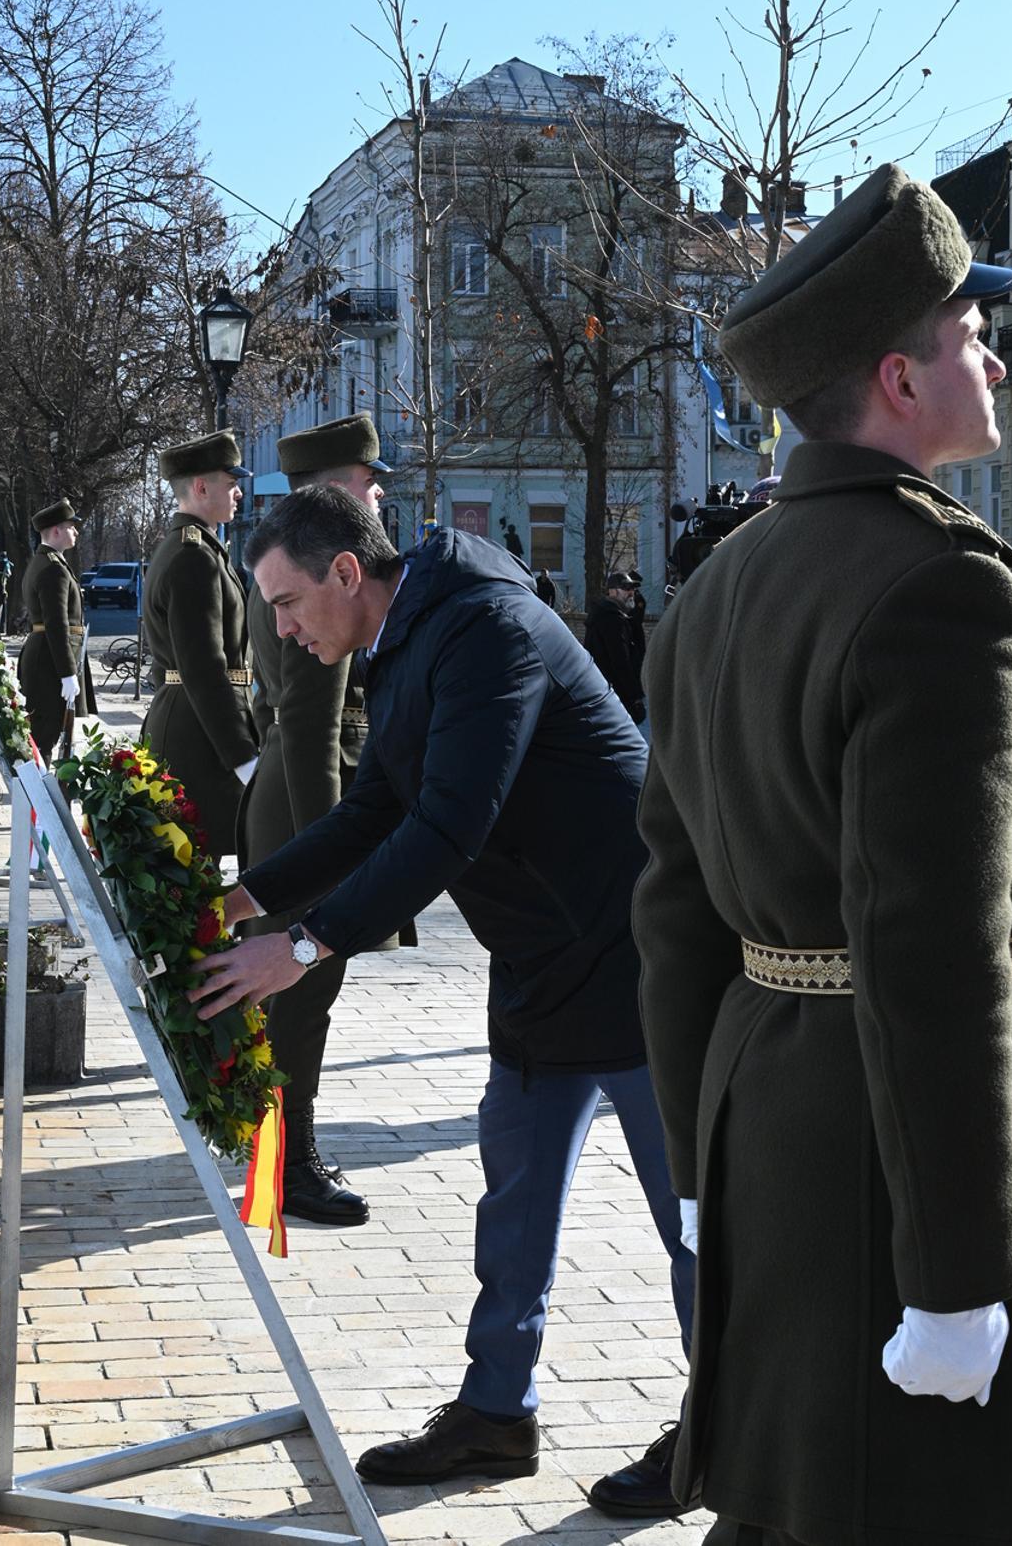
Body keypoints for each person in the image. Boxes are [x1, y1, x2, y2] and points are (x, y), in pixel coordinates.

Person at [635, 162, 1012, 1545]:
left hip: (775, 1129)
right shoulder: (947, 587)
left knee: (802, 1500)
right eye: (967, 335)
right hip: (912, 1159)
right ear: (899, 377)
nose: (994, 353)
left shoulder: (713, 594)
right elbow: (932, 948)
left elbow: (674, 914)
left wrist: (703, 1171)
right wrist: (958, 1270)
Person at [191, 487, 695, 1507]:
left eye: (286, 605)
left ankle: (727, 1429)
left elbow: (449, 825)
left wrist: (305, 943)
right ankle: (495, 1416)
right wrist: (240, 898)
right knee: (513, 1200)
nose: (280, 631)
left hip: (639, 951)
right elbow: (376, 807)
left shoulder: (484, 627)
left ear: (345, 573)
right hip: (542, 957)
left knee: (690, 1219)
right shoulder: (408, 636)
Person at [241, 413, 400, 1228]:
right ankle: (286, 1169)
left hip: (292, 797)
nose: (377, 495)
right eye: (367, 482)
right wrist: (331, 864)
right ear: (337, 488)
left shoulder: (288, 561)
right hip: (309, 799)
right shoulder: (313, 583)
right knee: (302, 1000)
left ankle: (279, 1156)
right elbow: (310, 728)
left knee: (295, 1003)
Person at [141, 430, 257, 861]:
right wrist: (240, 754)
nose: (238, 492)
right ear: (202, 487)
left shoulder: (196, 548)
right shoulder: (194, 556)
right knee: (191, 867)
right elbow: (204, 665)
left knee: (194, 866)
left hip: (192, 718)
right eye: (230, 483)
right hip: (199, 731)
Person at [17, 499, 95, 759]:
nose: (76, 532)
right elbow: (57, 623)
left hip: (45, 656)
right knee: (44, 735)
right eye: (71, 526)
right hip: (48, 663)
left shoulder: (49, 563)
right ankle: (36, 796)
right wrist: (67, 672)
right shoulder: (52, 568)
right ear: (56, 531)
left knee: (45, 734)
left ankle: (38, 794)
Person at [583, 571, 644, 723]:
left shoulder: (611, 614)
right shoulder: (611, 618)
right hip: (614, 695)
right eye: (626, 588)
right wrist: (634, 696)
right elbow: (620, 660)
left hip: (605, 693)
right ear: (612, 591)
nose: (631, 593)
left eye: (632, 589)